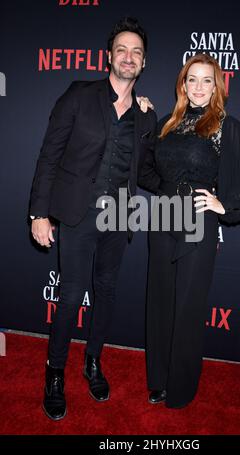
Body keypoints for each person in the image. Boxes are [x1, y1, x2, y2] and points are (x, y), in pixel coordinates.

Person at [29, 17, 156, 421]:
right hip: (77, 214)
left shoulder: (146, 116)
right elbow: (49, 155)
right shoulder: (79, 95)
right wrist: (38, 212)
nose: (129, 57)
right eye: (122, 49)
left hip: (119, 217)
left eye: (136, 51)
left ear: (144, 62)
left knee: (107, 292)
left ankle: (93, 362)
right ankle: (54, 373)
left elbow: (148, 171)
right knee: (69, 296)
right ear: (109, 56)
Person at [138, 53, 240, 409]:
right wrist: (145, 120)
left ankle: (180, 387)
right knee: (160, 301)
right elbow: (145, 170)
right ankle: (159, 380)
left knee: (189, 307)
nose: (197, 87)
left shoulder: (225, 126)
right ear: (182, 84)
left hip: (197, 221)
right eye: (191, 79)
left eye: (206, 80)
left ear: (217, 86)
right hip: (162, 218)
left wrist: (223, 204)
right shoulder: (167, 123)